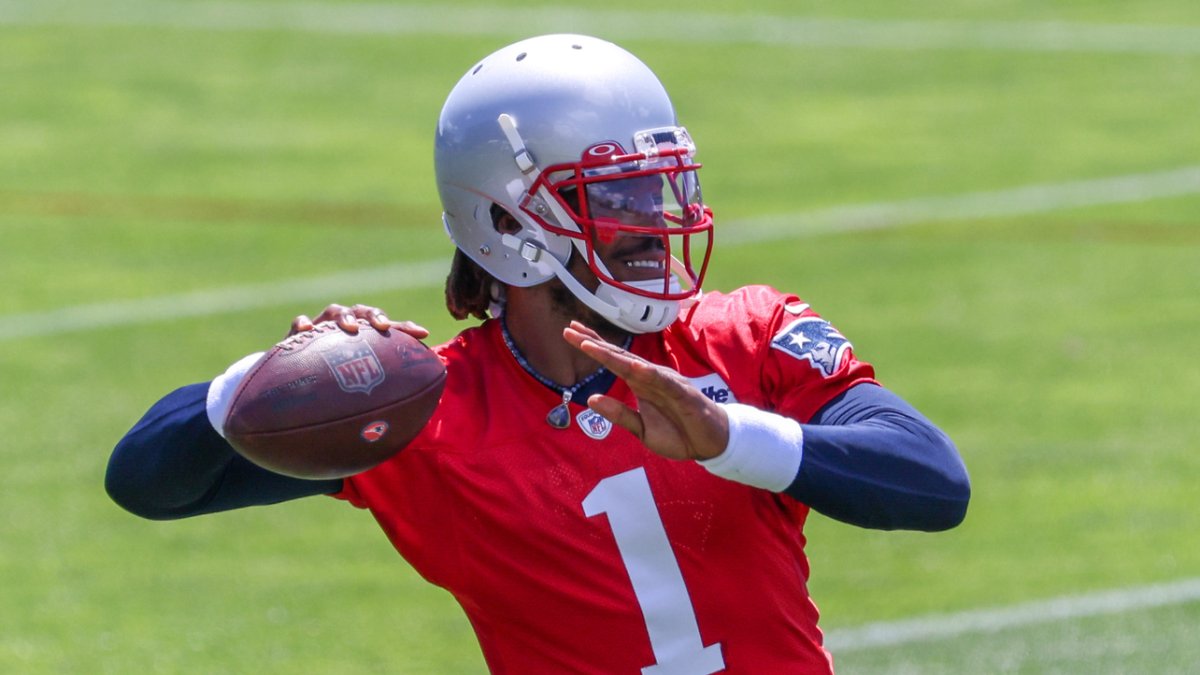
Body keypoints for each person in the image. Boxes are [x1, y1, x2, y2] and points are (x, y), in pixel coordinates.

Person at [107, 34, 970, 674]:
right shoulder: (425, 415)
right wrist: (272, 373)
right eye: (615, 196)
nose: (653, 220)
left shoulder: (745, 334)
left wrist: (732, 438)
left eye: (657, 186)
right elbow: (146, 479)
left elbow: (934, 483)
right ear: (509, 224)